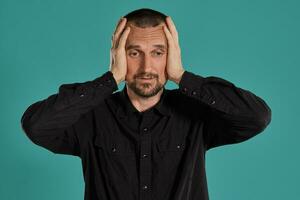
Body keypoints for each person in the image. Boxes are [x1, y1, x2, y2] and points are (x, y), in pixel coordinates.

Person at [21, 8, 272, 200]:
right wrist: (110, 79)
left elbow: (257, 117)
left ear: (171, 55)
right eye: (134, 53)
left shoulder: (196, 113)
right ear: (118, 55)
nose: (147, 67)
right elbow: (36, 126)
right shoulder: (91, 116)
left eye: (157, 52)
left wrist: (182, 76)